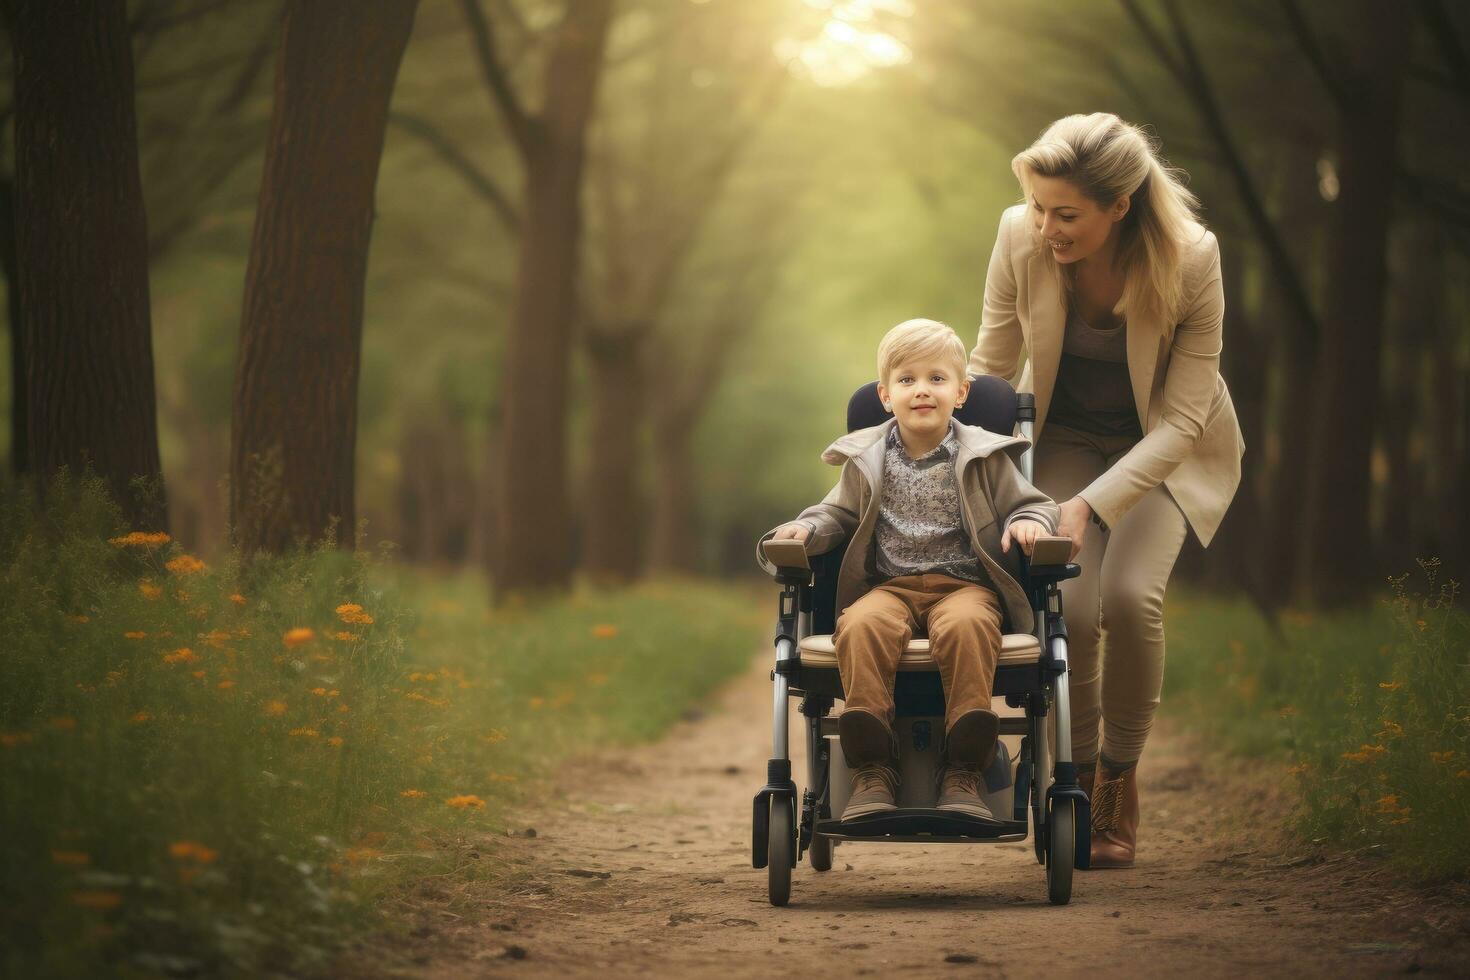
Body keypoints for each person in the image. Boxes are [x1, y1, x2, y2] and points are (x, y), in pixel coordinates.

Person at [969, 113, 1244, 867]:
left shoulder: (1193, 259)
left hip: (1164, 448)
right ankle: (1077, 775)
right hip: (1061, 438)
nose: (1045, 226)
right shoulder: (1019, 237)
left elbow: (1184, 421)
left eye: (1066, 214)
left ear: (1118, 206)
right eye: (1037, 207)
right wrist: (932, 439)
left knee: (1129, 597)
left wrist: (1091, 504)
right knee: (1075, 606)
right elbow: (992, 365)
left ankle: (1121, 777)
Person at [763, 318, 1060, 822]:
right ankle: (872, 768)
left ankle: (964, 771)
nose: (922, 390)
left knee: (968, 627)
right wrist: (805, 530)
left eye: (937, 379)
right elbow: (836, 513)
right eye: (907, 380)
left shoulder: (985, 456)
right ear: (885, 395)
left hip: (966, 587)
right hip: (890, 587)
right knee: (858, 624)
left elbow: (1035, 504)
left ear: (961, 392)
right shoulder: (867, 458)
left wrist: (1030, 523)